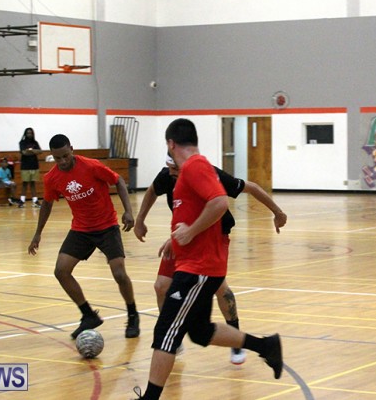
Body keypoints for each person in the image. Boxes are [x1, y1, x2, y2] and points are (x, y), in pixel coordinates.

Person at [133, 119, 282, 400]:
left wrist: (189, 231)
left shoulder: (195, 166)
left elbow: (219, 203)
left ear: (171, 143)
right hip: (194, 263)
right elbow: (193, 209)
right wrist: (178, 237)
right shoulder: (183, 172)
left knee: (166, 332)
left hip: (198, 268)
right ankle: (266, 346)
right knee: (200, 332)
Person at [27, 134, 140, 339]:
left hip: (107, 226)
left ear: (72, 149)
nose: (63, 161)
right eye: (57, 158)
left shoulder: (91, 166)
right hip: (81, 229)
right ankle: (88, 315)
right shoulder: (51, 178)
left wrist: (128, 211)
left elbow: (119, 181)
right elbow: (47, 204)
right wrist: (37, 233)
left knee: (119, 274)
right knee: (61, 271)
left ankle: (132, 315)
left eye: (65, 156)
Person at [19, 127, 42, 208]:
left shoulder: (35, 142)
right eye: (28, 133)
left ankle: (35, 201)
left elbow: (40, 151)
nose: (29, 134)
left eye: (31, 133)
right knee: (25, 183)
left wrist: (30, 151)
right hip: (25, 166)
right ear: (25, 134)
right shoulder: (22, 142)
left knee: (33, 183)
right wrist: (34, 151)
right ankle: (22, 200)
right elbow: (24, 152)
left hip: (34, 165)